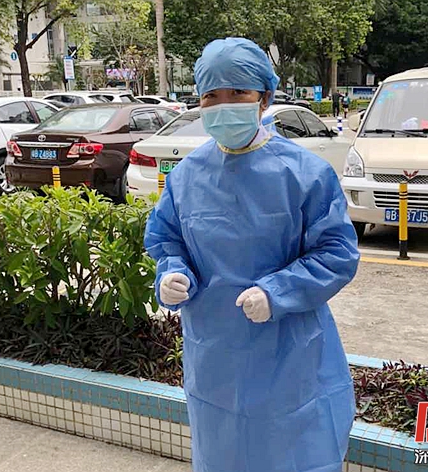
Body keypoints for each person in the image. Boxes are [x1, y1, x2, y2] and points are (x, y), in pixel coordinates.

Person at [144, 37, 359, 472]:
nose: (224, 104)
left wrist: (277, 292)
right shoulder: (186, 176)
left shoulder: (304, 173)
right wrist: (172, 272)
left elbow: (336, 252)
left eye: (237, 92)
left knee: (294, 454)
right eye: (211, 95)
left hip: (289, 356)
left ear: (264, 98)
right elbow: (167, 239)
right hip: (214, 358)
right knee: (221, 454)